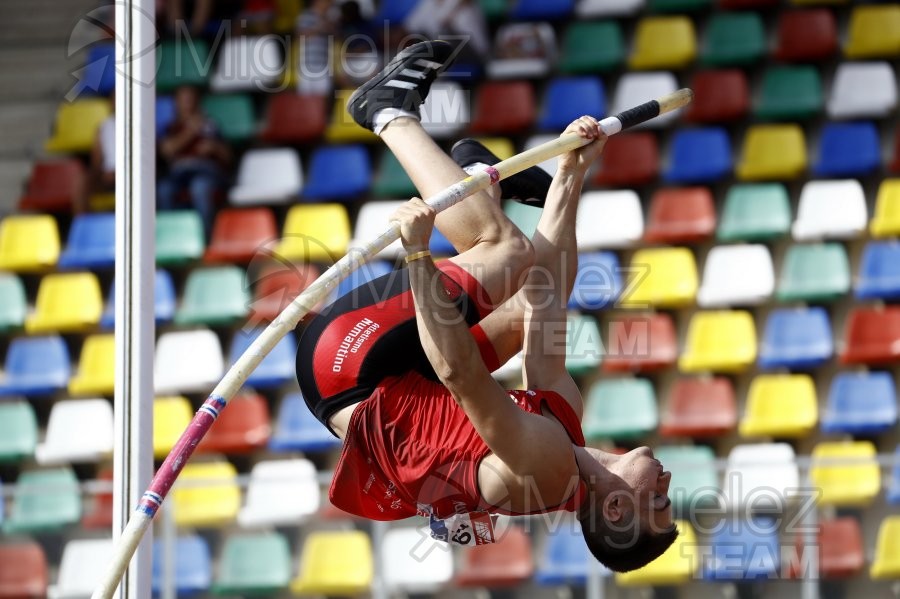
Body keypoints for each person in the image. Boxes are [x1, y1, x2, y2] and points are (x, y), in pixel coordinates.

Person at [294, 40, 676, 572]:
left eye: (656, 499)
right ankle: (482, 183)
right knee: (525, 302)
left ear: (614, 505)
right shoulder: (566, 430)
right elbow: (545, 299)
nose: (667, 481)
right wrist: (571, 175)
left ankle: (386, 112)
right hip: (403, 373)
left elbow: (459, 371)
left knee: (504, 250)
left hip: (350, 369)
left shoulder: (544, 468)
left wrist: (419, 252)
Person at [156, 85, 231, 234]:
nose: (187, 103)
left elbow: (228, 157)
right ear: (176, 103)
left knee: (200, 187)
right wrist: (190, 131)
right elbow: (167, 151)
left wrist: (214, 147)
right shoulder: (171, 128)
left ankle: (205, 238)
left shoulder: (210, 125)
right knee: (164, 189)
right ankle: (170, 237)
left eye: (190, 99)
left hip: (206, 172)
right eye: (183, 99)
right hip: (179, 174)